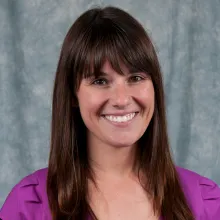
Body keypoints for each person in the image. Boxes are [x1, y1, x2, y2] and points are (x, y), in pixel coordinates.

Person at [0, 6, 220, 220]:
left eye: (136, 78)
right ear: (72, 95)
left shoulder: (206, 202)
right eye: (100, 81)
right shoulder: (27, 207)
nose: (122, 100)